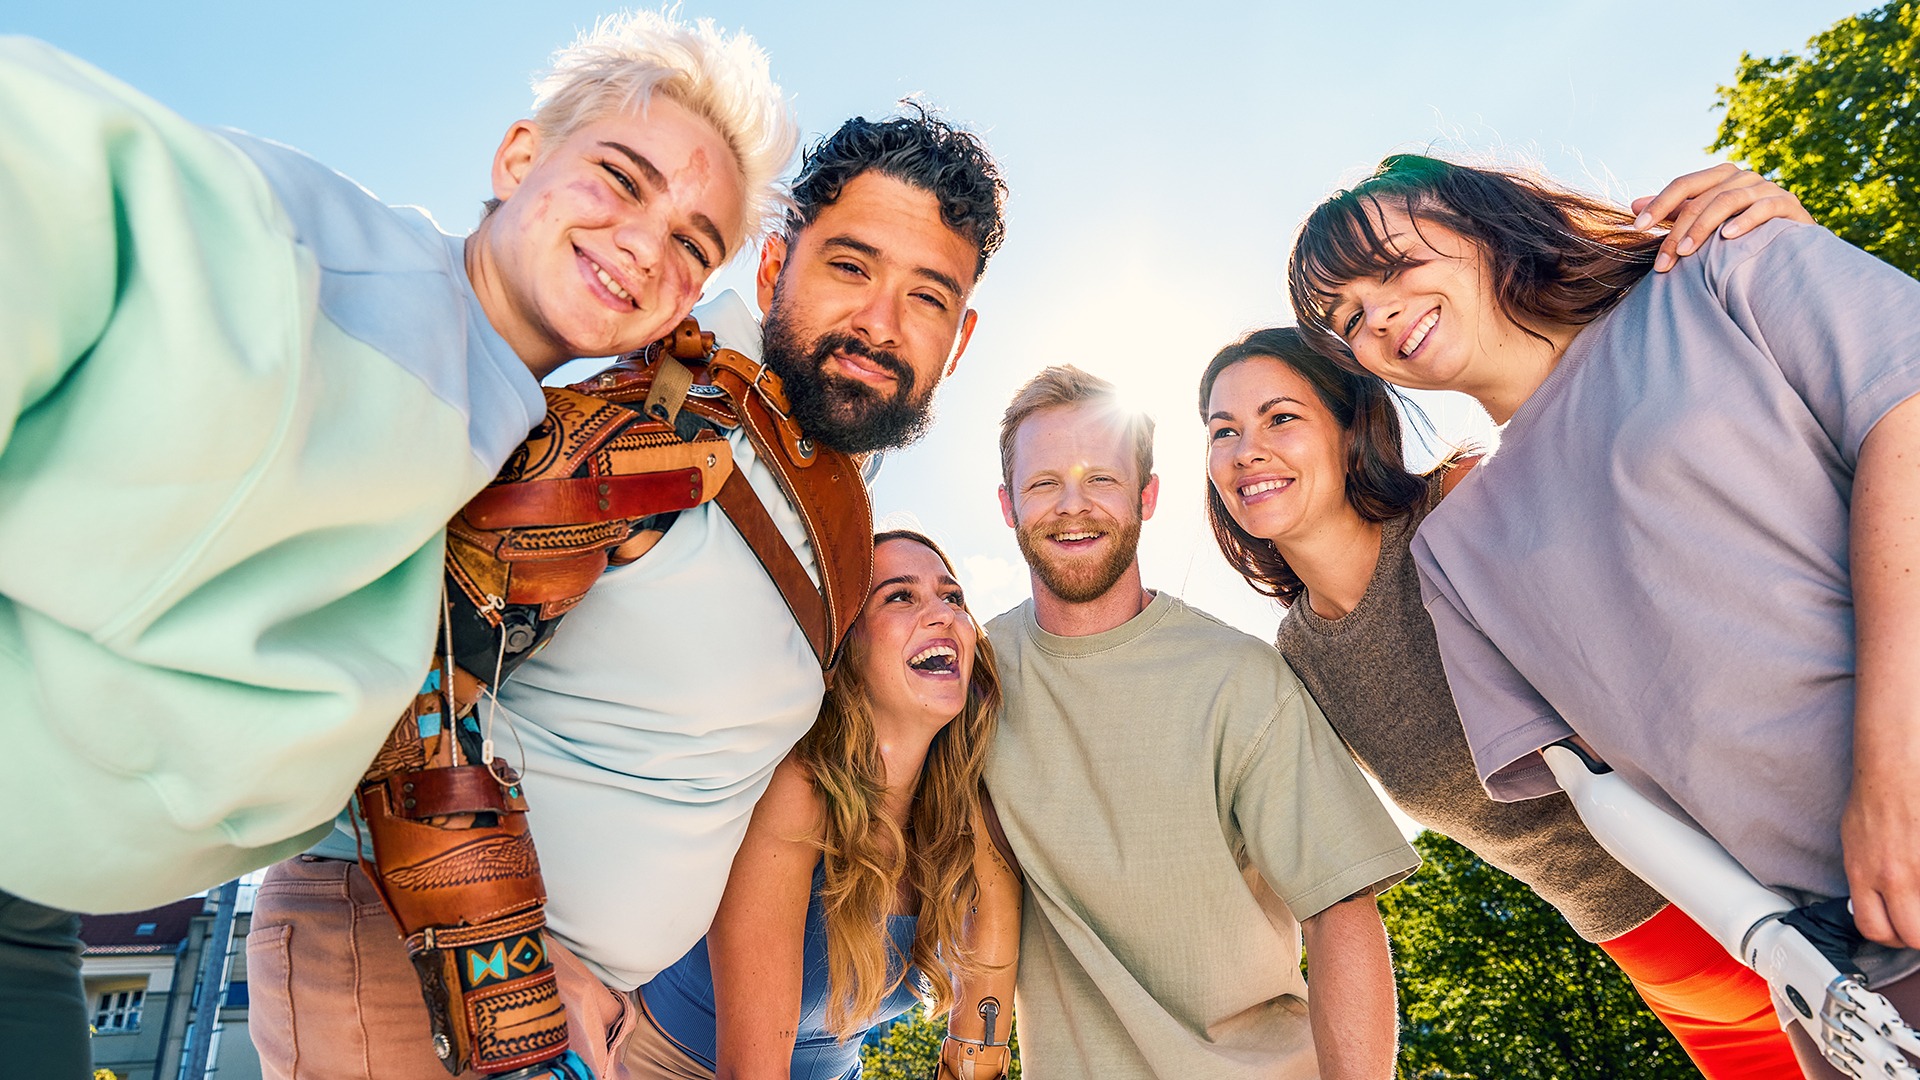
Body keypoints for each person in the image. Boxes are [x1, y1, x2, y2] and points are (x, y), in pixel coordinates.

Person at [0, 11, 787, 1077]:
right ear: (518, 158)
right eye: (620, 177)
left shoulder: (505, 438)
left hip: (42, 904)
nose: (650, 243)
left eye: (696, 243)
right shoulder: (326, 266)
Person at [249, 108, 1008, 1077]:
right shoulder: (657, 427)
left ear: (961, 336)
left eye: (927, 297)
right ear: (775, 270)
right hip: (422, 965)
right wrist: (509, 971)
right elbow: (412, 673)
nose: (879, 324)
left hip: (565, 1016)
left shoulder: (835, 522)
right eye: (850, 268)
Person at [1287, 152, 1920, 1078]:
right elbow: (1601, 795)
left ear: (1482, 222)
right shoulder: (1455, 556)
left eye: (1392, 268)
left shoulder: (1726, 266)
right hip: (1853, 964)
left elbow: (1902, 421)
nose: (1376, 315)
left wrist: (1893, 778)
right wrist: (1789, 963)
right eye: (1348, 319)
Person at [1198, 326, 1803, 1077]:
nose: (1246, 449)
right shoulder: (1298, 659)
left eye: (1279, 417)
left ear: (1351, 427)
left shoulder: (1464, 502)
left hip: (1764, 897)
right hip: (1655, 964)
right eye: (1224, 431)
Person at [984, 365, 1418, 1079]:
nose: (1073, 505)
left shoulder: (1239, 677)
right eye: (1042, 484)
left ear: (1146, 496)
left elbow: (1339, 910)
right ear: (1008, 505)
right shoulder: (976, 679)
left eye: (1102, 479)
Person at [627, 530, 1019, 1079]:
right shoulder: (799, 788)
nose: (944, 615)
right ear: (843, 650)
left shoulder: (962, 807)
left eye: (952, 597)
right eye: (900, 596)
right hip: (672, 1066)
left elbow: (991, 955)